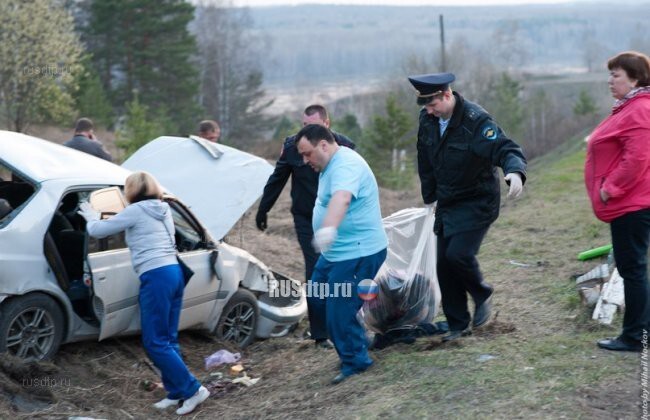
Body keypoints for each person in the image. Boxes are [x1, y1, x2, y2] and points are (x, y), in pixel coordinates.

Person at [408, 72, 527, 342]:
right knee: (443, 265)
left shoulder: (475, 121)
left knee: (458, 255)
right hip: (447, 201)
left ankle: (482, 292)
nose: (429, 111)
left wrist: (515, 172)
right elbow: (425, 158)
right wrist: (430, 197)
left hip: (476, 200)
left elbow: (505, 148)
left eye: (433, 104)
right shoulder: (428, 119)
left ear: (447, 95)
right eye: (425, 106)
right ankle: (457, 324)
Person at [78, 172, 209, 415]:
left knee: (155, 342)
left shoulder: (136, 210)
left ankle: (193, 390)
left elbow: (98, 231)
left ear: (132, 190)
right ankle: (177, 391)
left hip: (156, 275)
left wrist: (89, 214)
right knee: (168, 338)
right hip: (174, 271)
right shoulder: (163, 208)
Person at [255, 104, 355, 349]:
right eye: (304, 126)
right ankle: (320, 333)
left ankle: (345, 321)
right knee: (316, 269)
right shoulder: (293, 147)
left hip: (336, 217)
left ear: (327, 125)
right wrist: (264, 208)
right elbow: (277, 178)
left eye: (314, 126)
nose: (308, 132)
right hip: (306, 219)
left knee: (341, 267)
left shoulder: (345, 147)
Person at [295, 124, 387, 385]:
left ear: (324, 145)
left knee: (339, 309)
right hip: (337, 253)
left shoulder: (346, 165)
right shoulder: (328, 164)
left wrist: (328, 228)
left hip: (358, 251)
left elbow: (343, 198)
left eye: (307, 154)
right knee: (318, 295)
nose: (305, 160)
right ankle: (357, 343)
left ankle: (357, 362)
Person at [584, 51, 650, 352]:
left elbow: (637, 158)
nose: (610, 81)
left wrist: (609, 189)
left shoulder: (639, 109)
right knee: (634, 269)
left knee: (632, 270)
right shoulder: (629, 106)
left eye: (616, 75)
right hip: (632, 202)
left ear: (634, 79)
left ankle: (635, 337)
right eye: (610, 74)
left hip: (632, 204)